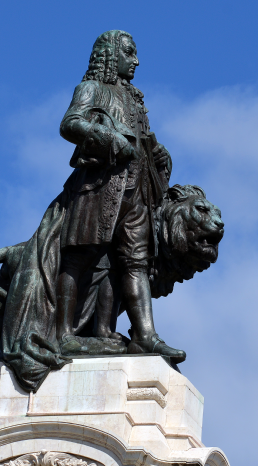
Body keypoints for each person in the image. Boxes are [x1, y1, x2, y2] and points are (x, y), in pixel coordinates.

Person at [55, 29, 184, 361]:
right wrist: (108, 138)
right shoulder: (91, 89)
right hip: (100, 186)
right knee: (79, 258)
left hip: (137, 192)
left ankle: (144, 336)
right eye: (129, 53)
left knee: (134, 262)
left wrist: (158, 152)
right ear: (111, 55)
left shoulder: (135, 99)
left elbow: (144, 139)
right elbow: (71, 123)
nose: (136, 61)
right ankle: (64, 334)